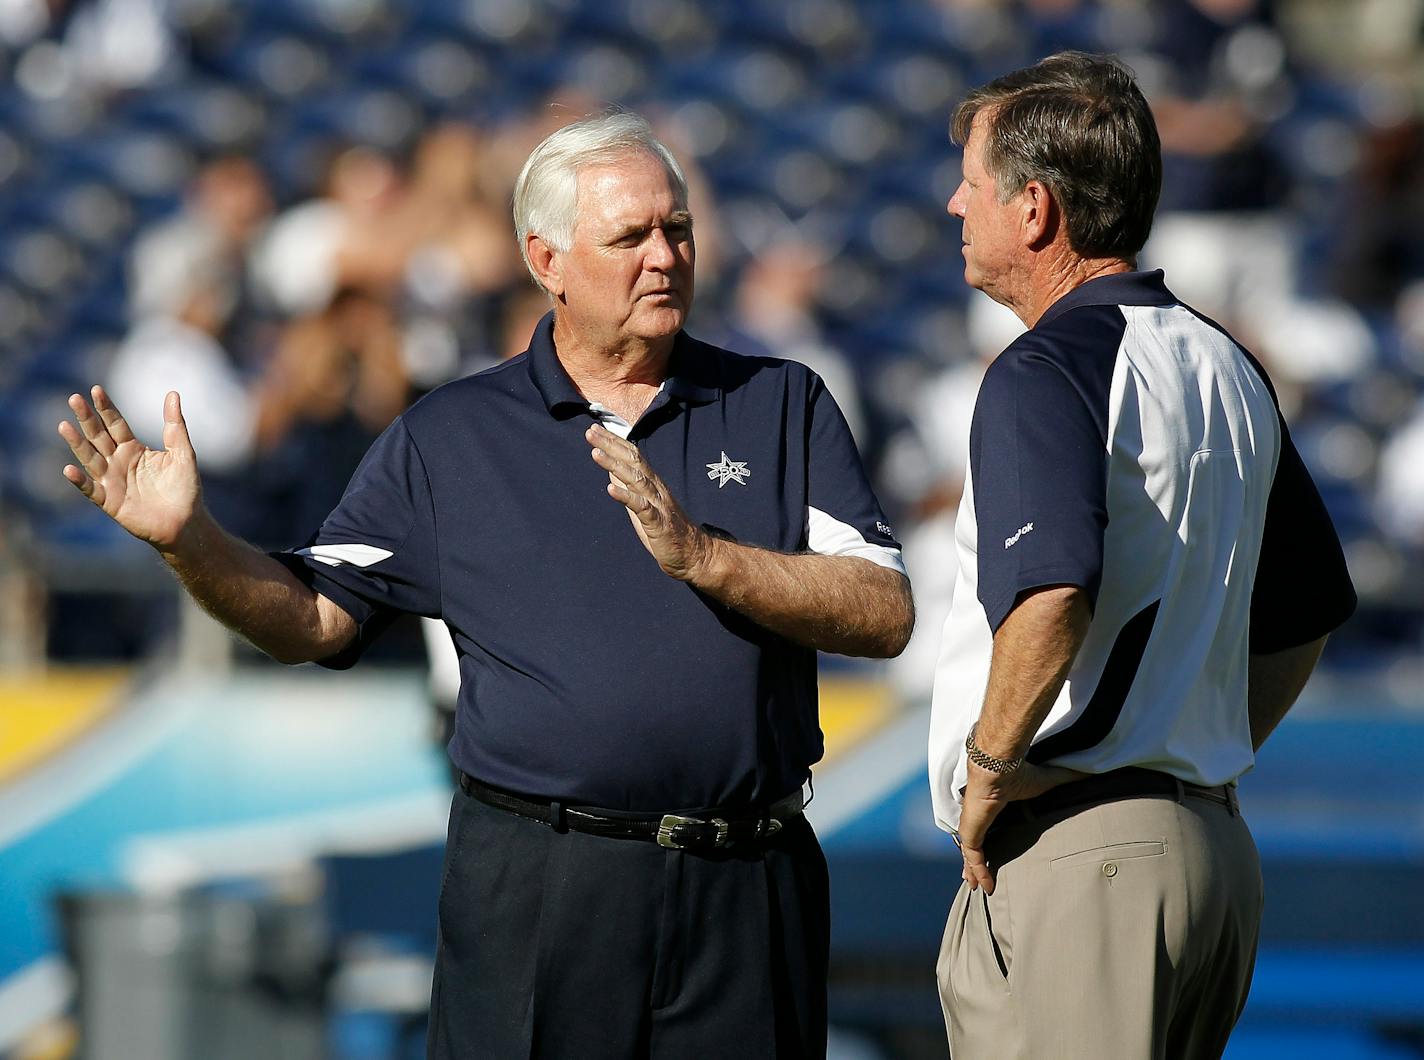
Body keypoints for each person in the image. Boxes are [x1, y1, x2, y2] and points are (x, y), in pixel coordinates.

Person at [58, 111, 915, 1059]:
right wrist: (192, 543)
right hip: (543, 887)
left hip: (748, 883)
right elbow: (312, 617)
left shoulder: (779, 401)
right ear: (546, 260)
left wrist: (707, 557)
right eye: (628, 237)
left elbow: (882, 613)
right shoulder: (453, 436)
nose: (664, 256)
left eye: (676, 230)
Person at [927, 52, 1356, 1058]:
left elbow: (1050, 593)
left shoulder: (1043, 367)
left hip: (1085, 857)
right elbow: (1306, 611)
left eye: (972, 182)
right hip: (1203, 850)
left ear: (1032, 209)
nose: (953, 203)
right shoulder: (1226, 360)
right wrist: (1188, 750)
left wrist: (989, 767)